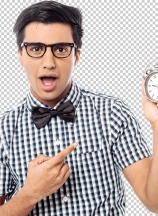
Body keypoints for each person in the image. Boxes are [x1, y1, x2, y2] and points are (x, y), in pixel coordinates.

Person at [0, 1, 158, 215]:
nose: (49, 62)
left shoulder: (112, 113)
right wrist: (30, 193)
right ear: (20, 56)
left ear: (77, 56)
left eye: (61, 49)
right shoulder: (4, 129)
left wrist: (157, 124)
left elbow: (154, 203)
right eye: (36, 49)